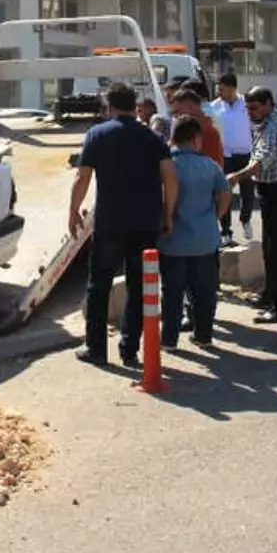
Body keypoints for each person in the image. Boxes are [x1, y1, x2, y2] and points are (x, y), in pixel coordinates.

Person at [69, 83, 178, 368]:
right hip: (145, 222)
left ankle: (96, 349)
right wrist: (167, 215)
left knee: (99, 285)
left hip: (110, 221)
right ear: (134, 106)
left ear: (110, 105)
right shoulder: (152, 137)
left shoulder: (97, 134)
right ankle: (129, 349)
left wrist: (72, 212)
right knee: (139, 286)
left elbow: (82, 178)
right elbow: (170, 177)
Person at [225, 87, 277, 323]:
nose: (250, 113)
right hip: (271, 191)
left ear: (268, 103)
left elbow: (261, 160)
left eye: (254, 108)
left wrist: (236, 177)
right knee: (269, 246)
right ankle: (270, 293)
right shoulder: (265, 122)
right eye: (247, 108)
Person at [158, 116, 232, 351]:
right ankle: (204, 335)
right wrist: (214, 218)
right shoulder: (211, 166)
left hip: (172, 241)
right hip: (205, 240)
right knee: (204, 292)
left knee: (172, 292)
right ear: (196, 139)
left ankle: (169, 340)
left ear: (173, 138)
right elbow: (225, 195)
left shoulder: (166, 165)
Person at [209, 74, 256, 244]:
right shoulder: (214, 107)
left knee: (248, 191)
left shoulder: (246, 104)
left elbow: (255, 127)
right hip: (225, 155)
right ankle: (226, 230)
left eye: (221, 89)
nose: (219, 92)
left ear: (232, 88)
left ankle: (246, 220)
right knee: (225, 192)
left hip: (245, 153)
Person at [169, 89, 224, 165]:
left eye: (177, 112)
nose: (176, 116)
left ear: (191, 107)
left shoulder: (206, 132)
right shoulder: (209, 128)